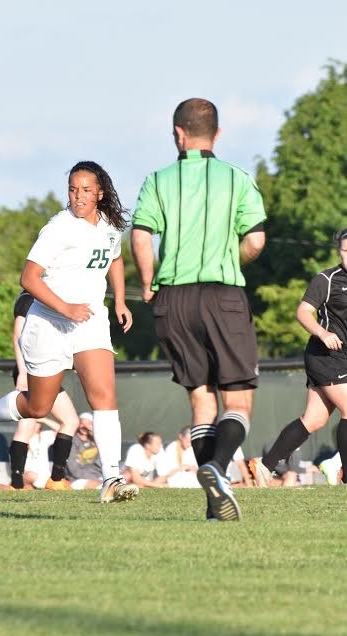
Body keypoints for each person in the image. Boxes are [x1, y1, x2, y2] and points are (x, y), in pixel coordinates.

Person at [0, 161, 138, 503]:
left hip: (89, 322)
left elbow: (115, 259)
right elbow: (28, 278)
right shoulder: (59, 228)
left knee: (104, 395)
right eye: (73, 189)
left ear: (100, 193)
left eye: (86, 190)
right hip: (48, 323)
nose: (78, 196)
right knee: (37, 406)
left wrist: (120, 299)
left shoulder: (109, 225)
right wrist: (65, 308)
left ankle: (111, 478)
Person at [131, 98, 266, 520]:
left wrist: (149, 282)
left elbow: (140, 237)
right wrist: (233, 257)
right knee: (238, 403)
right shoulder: (238, 178)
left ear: (178, 133)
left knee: (202, 404)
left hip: (174, 300)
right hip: (223, 296)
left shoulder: (158, 179)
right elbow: (257, 241)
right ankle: (217, 467)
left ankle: (215, 505)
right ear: (218, 134)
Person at [255, 229, 347, 486]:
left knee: (314, 419)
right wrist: (322, 332)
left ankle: (264, 466)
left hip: (344, 359)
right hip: (325, 355)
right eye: (344, 249)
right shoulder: (326, 279)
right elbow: (304, 312)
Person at [9, 288, 79, 490]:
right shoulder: (29, 296)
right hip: (31, 370)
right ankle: (17, 484)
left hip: (48, 370)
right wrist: (22, 372)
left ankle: (56, 479)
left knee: (70, 421)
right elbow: (18, 336)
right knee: (27, 426)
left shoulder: (55, 296)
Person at [65, 412, 103, 489]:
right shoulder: (72, 441)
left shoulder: (95, 441)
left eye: (88, 424)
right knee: (103, 486)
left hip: (97, 476)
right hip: (76, 479)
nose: (84, 427)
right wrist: (96, 479)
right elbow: (74, 470)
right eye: (82, 424)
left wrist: (94, 432)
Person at [23, 419, 60, 490]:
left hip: (45, 476)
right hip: (28, 476)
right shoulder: (21, 439)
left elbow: (60, 429)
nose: (34, 425)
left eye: (37, 423)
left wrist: (44, 419)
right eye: (32, 422)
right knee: (29, 477)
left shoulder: (44, 436)